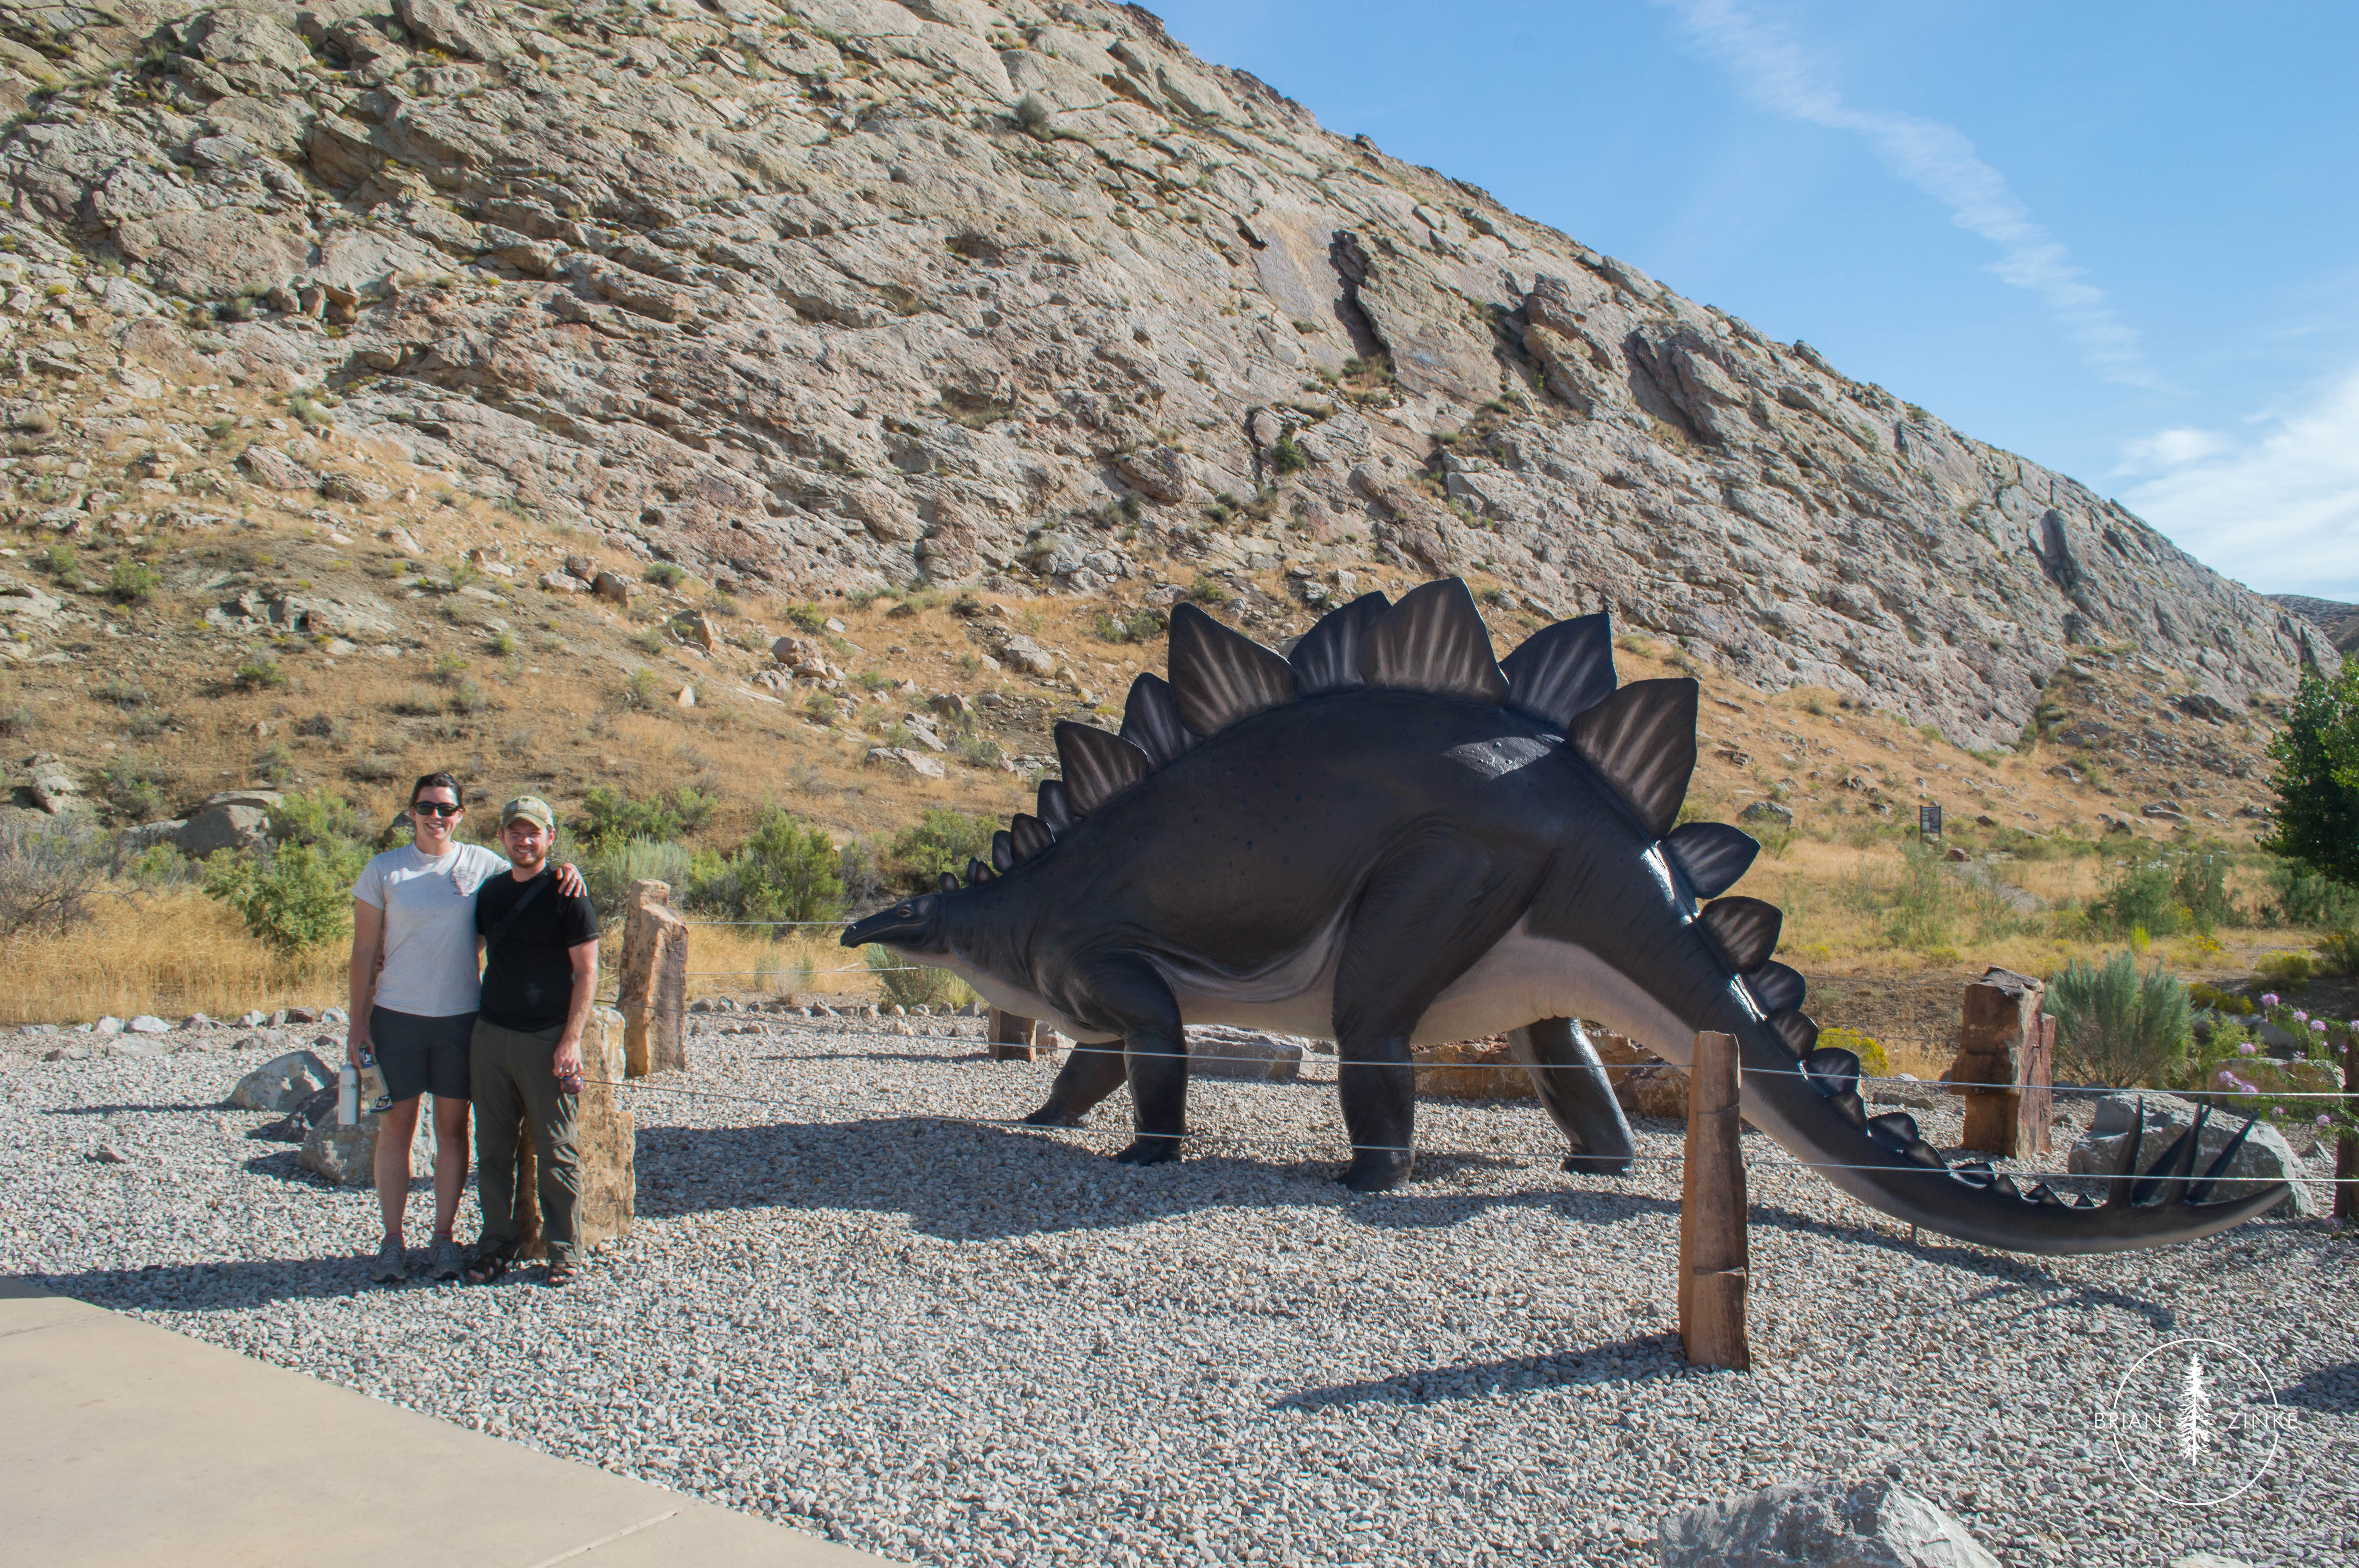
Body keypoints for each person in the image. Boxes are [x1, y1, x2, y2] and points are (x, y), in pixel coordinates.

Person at [347, 774, 583, 1285]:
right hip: (395, 1020)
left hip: (461, 1021)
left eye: (446, 809)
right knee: (396, 1130)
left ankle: (444, 1239)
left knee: (453, 1133)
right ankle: (392, 1241)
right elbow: (364, 951)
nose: (436, 816)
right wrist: (356, 1025)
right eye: (426, 807)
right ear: (411, 812)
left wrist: (571, 870)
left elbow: (533, 869)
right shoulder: (384, 871)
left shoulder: (480, 864)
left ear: (459, 816)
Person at [464, 796, 600, 1288]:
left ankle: (565, 1250)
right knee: (493, 1150)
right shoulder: (491, 893)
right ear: (502, 837)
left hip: (546, 1040)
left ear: (550, 837)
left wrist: (571, 1040)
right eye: (515, 832)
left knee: (557, 1149)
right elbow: (465, 948)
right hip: (491, 1035)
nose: (524, 841)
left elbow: (587, 972)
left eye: (534, 832)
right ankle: (497, 1244)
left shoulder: (569, 893)